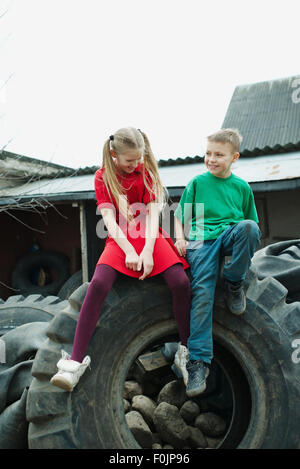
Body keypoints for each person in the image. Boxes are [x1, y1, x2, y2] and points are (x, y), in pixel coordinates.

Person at [50, 127, 191, 392]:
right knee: (99, 283)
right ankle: (75, 361)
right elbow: (109, 222)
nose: (135, 164)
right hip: (120, 237)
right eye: (129, 160)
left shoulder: (146, 172)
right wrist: (128, 251)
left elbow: (152, 220)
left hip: (150, 235)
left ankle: (187, 352)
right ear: (114, 155)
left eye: (139, 159)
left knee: (181, 282)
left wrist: (147, 252)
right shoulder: (103, 177)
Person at [174, 128, 261, 398]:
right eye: (208, 153)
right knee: (202, 293)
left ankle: (235, 280)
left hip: (229, 234)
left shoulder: (242, 187)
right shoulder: (198, 183)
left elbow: (252, 224)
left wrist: (238, 258)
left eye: (219, 155)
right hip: (200, 240)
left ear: (234, 157)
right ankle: (198, 362)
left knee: (249, 228)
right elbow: (179, 217)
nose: (211, 159)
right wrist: (180, 239)